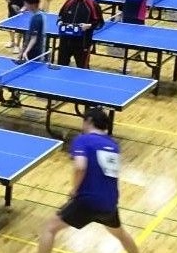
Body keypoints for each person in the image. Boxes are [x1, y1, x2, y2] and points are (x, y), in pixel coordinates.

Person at [36, 108, 140, 253]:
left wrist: (74, 189)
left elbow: (80, 167)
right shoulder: (113, 145)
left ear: (89, 121)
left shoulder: (82, 140)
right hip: (110, 202)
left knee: (49, 228)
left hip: (88, 200)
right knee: (120, 234)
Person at [56, 0, 104, 68]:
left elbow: (100, 23)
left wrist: (88, 26)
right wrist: (59, 22)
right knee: (61, 67)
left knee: (83, 69)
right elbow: (60, 16)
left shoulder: (92, 5)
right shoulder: (69, 2)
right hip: (65, 42)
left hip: (82, 44)